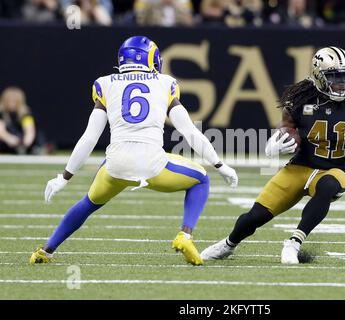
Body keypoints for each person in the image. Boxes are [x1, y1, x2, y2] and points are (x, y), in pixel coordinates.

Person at [30, 36, 238, 266]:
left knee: (89, 203)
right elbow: (189, 131)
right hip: (153, 165)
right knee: (201, 179)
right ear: (151, 59)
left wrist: (64, 177)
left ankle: (46, 250)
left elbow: (89, 138)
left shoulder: (105, 83)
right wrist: (220, 164)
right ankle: (185, 235)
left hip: (115, 166)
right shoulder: (165, 82)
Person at [201, 47, 345, 264]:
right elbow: (285, 128)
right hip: (299, 167)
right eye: (335, 77)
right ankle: (228, 244)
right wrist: (274, 145)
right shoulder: (300, 98)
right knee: (254, 217)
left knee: (327, 187)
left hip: (333, 170)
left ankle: (294, 242)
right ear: (319, 76)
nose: (342, 83)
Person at [0, 87, 46, 154]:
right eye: (9, 100)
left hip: (23, 142)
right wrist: (10, 139)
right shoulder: (1, 114)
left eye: (14, 101)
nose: (11, 103)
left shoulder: (26, 114)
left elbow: (29, 131)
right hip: (7, 142)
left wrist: (24, 144)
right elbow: (1, 132)